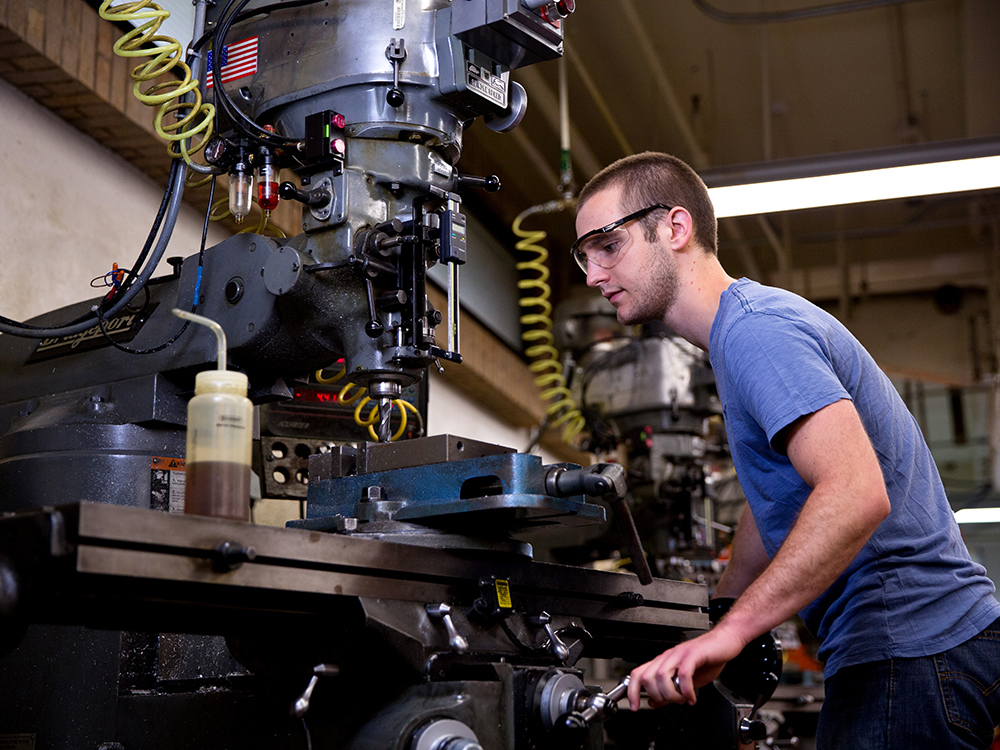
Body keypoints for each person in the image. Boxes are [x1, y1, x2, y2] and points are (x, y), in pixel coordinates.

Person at [573, 151, 1000, 748]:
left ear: (675, 228)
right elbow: (779, 496)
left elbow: (855, 494)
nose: (592, 275)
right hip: (915, 645)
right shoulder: (737, 337)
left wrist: (734, 631)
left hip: (909, 645)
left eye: (607, 245)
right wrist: (724, 613)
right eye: (583, 255)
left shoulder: (756, 332)